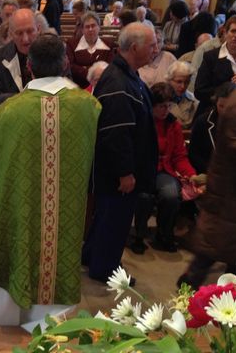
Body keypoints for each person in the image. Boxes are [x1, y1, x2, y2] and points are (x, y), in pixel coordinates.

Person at [0, 33, 101, 327]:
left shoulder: (8, 112)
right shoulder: (89, 108)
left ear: (29, 66)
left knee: (14, 244)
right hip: (65, 219)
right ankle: (50, 330)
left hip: (19, 212)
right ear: (66, 63)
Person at [82, 23, 159, 283]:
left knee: (106, 216)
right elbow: (116, 133)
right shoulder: (118, 80)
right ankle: (106, 268)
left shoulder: (126, 74)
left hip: (118, 170)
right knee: (114, 220)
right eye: (152, 44)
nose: (156, 49)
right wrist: (125, 172)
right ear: (135, 47)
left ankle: (92, 256)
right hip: (117, 172)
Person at [179, 56, 236, 289]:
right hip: (231, 187)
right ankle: (191, 286)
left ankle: (227, 290)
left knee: (224, 244)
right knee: (217, 243)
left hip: (234, 187)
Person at [131, 82, 199, 255]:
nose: (166, 110)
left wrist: (191, 174)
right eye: (161, 106)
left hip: (163, 170)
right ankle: (138, 235)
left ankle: (164, 234)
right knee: (143, 196)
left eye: (169, 106)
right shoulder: (142, 122)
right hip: (142, 170)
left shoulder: (173, 125)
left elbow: (179, 156)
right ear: (152, 105)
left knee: (171, 195)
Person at [195, 16, 236, 114]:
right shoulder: (211, 57)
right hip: (214, 110)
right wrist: (231, 87)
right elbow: (199, 91)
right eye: (233, 31)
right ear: (225, 33)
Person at [0, 8, 39, 115]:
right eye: (19, 33)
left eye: (30, 31)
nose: (25, 39)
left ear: (39, 29)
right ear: (11, 34)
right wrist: (28, 99)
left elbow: (65, 90)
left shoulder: (53, 54)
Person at [188, 82, 235, 175]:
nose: (224, 111)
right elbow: (194, 154)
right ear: (216, 102)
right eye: (221, 106)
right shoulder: (203, 122)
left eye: (229, 106)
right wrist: (212, 171)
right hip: (208, 173)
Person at [66, 11, 115, 88]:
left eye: (93, 26)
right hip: (78, 87)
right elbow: (71, 66)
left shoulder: (108, 45)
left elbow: (110, 67)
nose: (90, 29)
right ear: (82, 29)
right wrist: (93, 73)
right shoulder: (72, 44)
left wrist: (83, 68)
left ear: (99, 27)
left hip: (102, 86)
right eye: (87, 26)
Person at [166, 61, 199, 128]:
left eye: (187, 82)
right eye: (179, 82)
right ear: (169, 80)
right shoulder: (161, 100)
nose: (183, 86)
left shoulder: (195, 101)